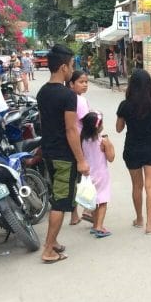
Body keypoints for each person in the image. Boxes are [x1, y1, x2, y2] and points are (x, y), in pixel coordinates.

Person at [36, 44, 89, 263]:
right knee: (60, 202)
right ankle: (48, 249)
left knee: (58, 197)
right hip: (63, 156)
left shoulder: (42, 92)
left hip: (49, 152)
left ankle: (54, 242)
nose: (71, 68)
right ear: (63, 67)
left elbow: (45, 124)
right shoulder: (68, 96)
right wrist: (81, 160)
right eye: (71, 65)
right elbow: (71, 130)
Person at [116, 69, 151, 234]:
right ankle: (150, 225)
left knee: (137, 186)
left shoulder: (125, 105)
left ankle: (139, 218)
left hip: (132, 148)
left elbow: (118, 128)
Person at [80, 111, 115, 237]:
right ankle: (99, 227)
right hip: (101, 174)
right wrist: (109, 143)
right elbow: (111, 157)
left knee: (94, 200)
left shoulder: (83, 140)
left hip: (88, 174)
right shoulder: (103, 141)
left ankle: (95, 224)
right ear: (98, 126)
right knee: (103, 201)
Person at [67, 70, 92, 226]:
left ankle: (74, 214)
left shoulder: (68, 99)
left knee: (74, 179)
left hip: (70, 142)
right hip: (82, 142)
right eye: (81, 82)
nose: (84, 85)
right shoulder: (80, 101)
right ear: (71, 84)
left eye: (86, 82)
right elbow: (88, 124)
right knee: (87, 177)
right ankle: (89, 210)